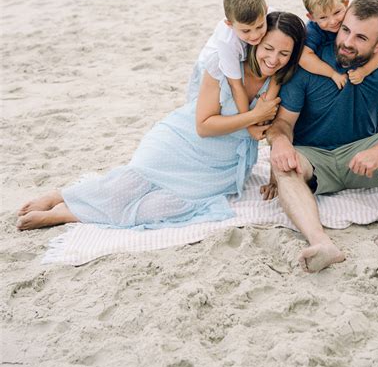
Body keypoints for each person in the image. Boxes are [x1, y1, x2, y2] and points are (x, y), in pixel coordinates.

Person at [17, 12, 306, 231]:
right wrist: (254, 116)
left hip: (222, 167)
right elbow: (204, 126)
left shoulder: (281, 81)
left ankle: (69, 213)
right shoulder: (223, 66)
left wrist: (273, 177)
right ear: (255, 40)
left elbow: (277, 132)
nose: (273, 58)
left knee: (164, 207)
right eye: (268, 48)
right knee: (129, 184)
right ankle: (62, 195)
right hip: (181, 143)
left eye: (284, 53)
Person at [265, 0, 378, 272]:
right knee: (282, 163)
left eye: (361, 38)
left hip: (362, 156)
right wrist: (279, 142)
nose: (348, 42)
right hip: (313, 159)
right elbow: (283, 124)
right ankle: (320, 243)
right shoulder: (309, 62)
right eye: (346, 30)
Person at [187, 0, 279, 140]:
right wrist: (251, 123)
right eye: (246, 31)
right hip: (210, 67)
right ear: (229, 24)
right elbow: (236, 86)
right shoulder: (227, 42)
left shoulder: (273, 15)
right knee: (208, 109)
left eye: (259, 26)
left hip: (241, 58)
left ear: (266, 10)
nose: (255, 35)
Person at [299, 0, 378, 89]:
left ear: (346, 4)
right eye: (323, 17)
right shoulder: (313, 30)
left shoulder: (352, 17)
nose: (332, 21)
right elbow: (304, 58)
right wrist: (332, 74)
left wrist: (364, 71)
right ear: (311, 17)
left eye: (337, 12)